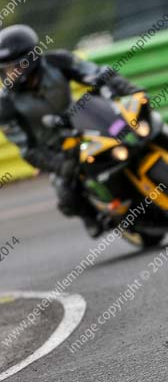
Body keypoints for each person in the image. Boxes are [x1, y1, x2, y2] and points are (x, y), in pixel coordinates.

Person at [0, 24, 140, 237]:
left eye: (15, 67)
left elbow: (95, 73)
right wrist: (57, 164)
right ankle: (90, 216)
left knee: (130, 132)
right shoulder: (5, 104)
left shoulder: (57, 61)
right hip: (54, 147)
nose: (10, 74)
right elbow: (25, 147)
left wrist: (127, 88)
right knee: (67, 195)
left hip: (83, 121)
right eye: (5, 69)